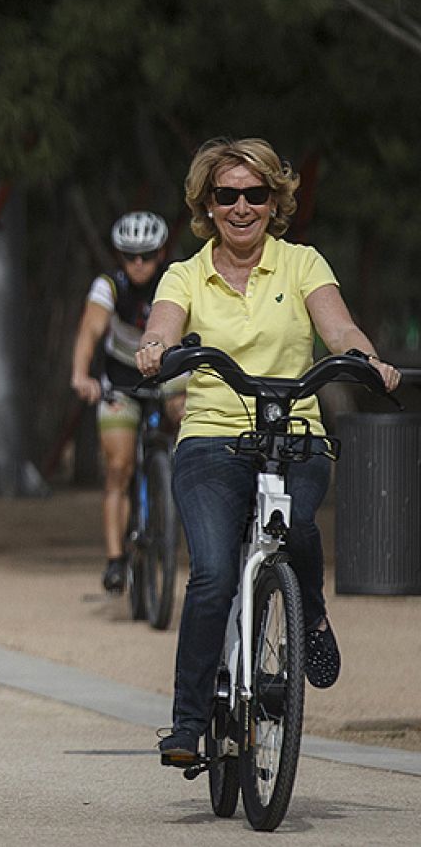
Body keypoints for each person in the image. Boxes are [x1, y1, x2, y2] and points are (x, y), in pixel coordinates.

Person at [134, 138, 401, 767]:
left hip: (296, 434)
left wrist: (365, 360)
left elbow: (339, 330)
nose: (242, 207)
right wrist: (154, 348)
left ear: (275, 199)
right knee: (213, 574)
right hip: (213, 438)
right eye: (227, 195)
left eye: (256, 194)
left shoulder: (302, 264)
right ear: (207, 204)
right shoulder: (185, 273)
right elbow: (164, 326)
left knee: (298, 525)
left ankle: (307, 620)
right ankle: (188, 722)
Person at [69, 211, 184, 592]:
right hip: (120, 381)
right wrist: (81, 375)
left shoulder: (177, 281)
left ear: (161, 253)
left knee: (186, 416)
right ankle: (116, 559)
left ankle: (178, 497)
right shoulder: (109, 286)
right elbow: (91, 329)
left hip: (166, 376)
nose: (138, 264)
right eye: (130, 256)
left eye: (147, 255)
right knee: (118, 464)